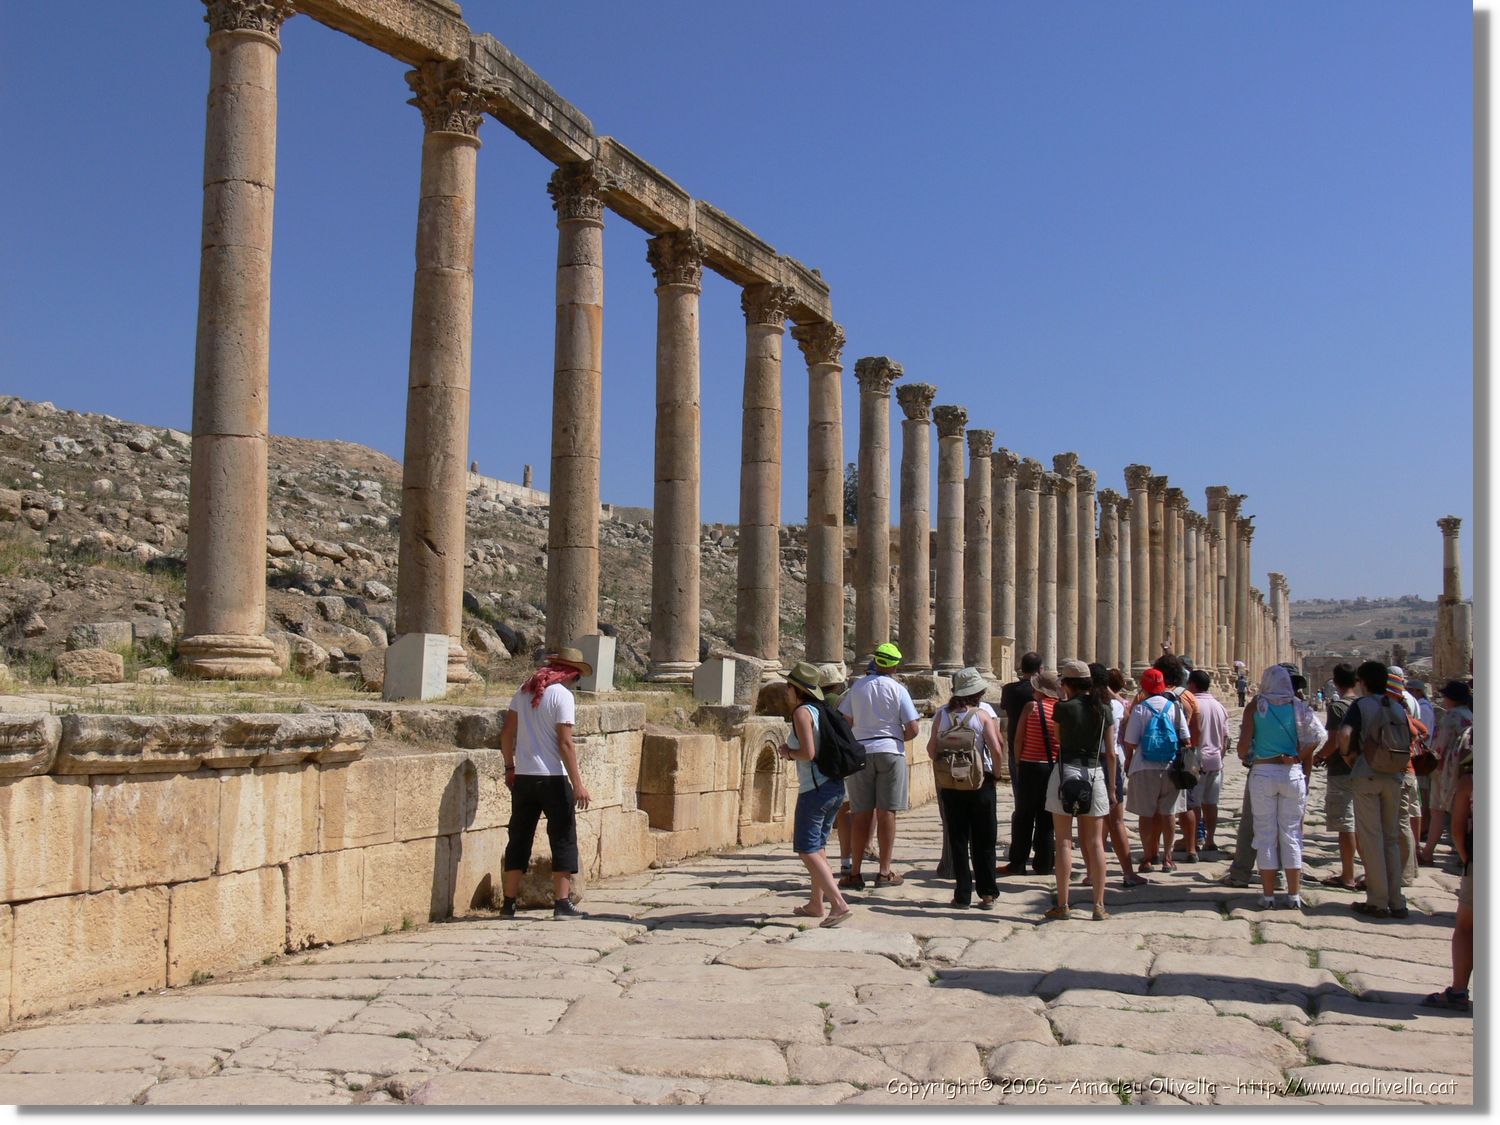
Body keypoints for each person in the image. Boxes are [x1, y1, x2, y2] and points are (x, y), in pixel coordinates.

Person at [499, 648, 594, 920]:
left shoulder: (523, 690)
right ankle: (562, 903)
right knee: (563, 837)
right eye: (576, 678)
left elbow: (507, 733)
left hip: (524, 777)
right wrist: (578, 783)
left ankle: (509, 904)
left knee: (518, 838)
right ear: (570, 674)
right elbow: (565, 743)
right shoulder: (563, 696)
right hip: (553, 777)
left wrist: (509, 766)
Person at [1239, 665, 1325, 910]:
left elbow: (1244, 747)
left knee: (1265, 834)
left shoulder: (1255, 707)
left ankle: (1267, 896)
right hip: (1292, 774)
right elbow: (1319, 736)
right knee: (1291, 835)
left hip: (1263, 772)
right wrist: (1297, 755)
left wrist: (1247, 752)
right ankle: (1294, 895)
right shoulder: (1299, 707)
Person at [837, 642, 920, 890]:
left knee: (860, 813)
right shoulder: (898, 689)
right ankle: (884, 871)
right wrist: (895, 738)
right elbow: (913, 728)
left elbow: (846, 721)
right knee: (887, 813)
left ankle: (854, 872)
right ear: (894, 665)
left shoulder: (857, 688)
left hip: (862, 752)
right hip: (890, 751)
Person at [777, 662, 853, 927]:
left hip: (815, 790)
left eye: (788, 686)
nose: (785, 691)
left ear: (796, 690)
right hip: (833, 787)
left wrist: (788, 752)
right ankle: (815, 904)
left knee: (806, 849)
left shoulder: (801, 713)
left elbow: (808, 753)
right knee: (818, 848)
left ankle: (839, 904)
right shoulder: (820, 710)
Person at [1043, 660, 1119, 921]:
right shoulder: (1104, 709)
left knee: (1063, 840)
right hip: (1095, 774)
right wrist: (1112, 788)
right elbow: (1110, 752)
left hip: (1066, 772)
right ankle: (1099, 905)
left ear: (1067, 684)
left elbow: (1059, 739)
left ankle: (1063, 904)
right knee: (1095, 842)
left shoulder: (1063, 708)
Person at [1337, 660, 1413, 920]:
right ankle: (1397, 900)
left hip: (1367, 774)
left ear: (1363, 682)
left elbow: (1345, 733)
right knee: (1391, 838)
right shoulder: (1398, 706)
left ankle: (1377, 901)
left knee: (1370, 839)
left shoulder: (1362, 705)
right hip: (1394, 776)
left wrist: (1349, 757)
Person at [927, 667, 1004, 909]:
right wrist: (997, 774)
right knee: (984, 839)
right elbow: (996, 748)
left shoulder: (942, 715)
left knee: (958, 839)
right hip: (980, 783)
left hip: (950, 785)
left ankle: (962, 894)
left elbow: (931, 750)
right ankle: (988, 893)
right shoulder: (981, 716)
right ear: (977, 692)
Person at [1122, 669, 1191, 873]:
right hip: (1171, 767)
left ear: (1144, 687)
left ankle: (1148, 856)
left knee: (1146, 814)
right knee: (1169, 814)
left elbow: (1131, 742)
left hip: (1144, 767)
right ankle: (1167, 857)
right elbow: (1186, 739)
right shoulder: (1175, 708)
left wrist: (1129, 760)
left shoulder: (1141, 709)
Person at [1425, 728, 1473, 1012]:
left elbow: (1456, 830)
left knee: (1467, 927)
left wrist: (1468, 859)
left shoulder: (1469, 781)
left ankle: (1457, 991)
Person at [1001, 669, 1061, 876]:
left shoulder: (1031, 707)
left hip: (1030, 765)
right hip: (1052, 767)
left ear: (1038, 690)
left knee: (1024, 816)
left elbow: (1019, 739)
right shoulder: (1061, 709)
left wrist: (1017, 763)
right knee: (1046, 817)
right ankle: (1044, 863)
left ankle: (1017, 862)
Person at [1312, 663, 1362, 891]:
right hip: (1366, 770)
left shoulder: (1338, 707)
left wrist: (1319, 756)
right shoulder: (1365, 704)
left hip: (1343, 770)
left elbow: (1334, 740)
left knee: (1346, 825)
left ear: (1335, 681)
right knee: (1365, 823)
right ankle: (1371, 873)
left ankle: (1348, 875)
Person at [1100, 665, 1146, 886]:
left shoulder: (1074, 706)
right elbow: (1126, 714)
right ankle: (1128, 872)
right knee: (1116, 821)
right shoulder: (1114, 707)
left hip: (1084, 764)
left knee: (1093, 824)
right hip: (1110, 763)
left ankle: (1092, 873)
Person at [1420, 680, 1474, 866]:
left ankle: (1428, 852)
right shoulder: (1470, 715)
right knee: (1466, 812)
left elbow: (1439, 747)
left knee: (1437, 811)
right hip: (1466, 769)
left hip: (1445, 770)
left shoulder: (1450, 717)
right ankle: (1464, 853)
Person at [817, 665, 857, 880]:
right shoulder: (843, 702)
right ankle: (847, 861)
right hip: (842, 762)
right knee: (847, 812)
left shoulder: (815, 704)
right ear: (838, 682)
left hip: (820, 764)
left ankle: (821, 860)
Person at [1187, 668, 1229, 853]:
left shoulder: (1193, 705)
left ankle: (1195, 839)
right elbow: (1226, 738)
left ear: (1193, 685)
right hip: (1215, 760)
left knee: (1193, 804)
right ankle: (1210, 840)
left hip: (1197, 761)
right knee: (1211, 803)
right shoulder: (1219, 707)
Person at [1000, 651, 1042, 792]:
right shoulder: (1041, 692)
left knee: (1020, 792)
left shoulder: (1008, 690)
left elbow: (1006, 709)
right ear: (1040, 669)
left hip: (1015, 745)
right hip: (1038, 747)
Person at [1408, 679, 1438, 855]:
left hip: (1420, 759)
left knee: (1421, 799)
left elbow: (1424, 732)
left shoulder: (1424, 708)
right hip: (1417, 759)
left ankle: (1422, 831)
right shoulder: (1421, 705)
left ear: (1417, 691)